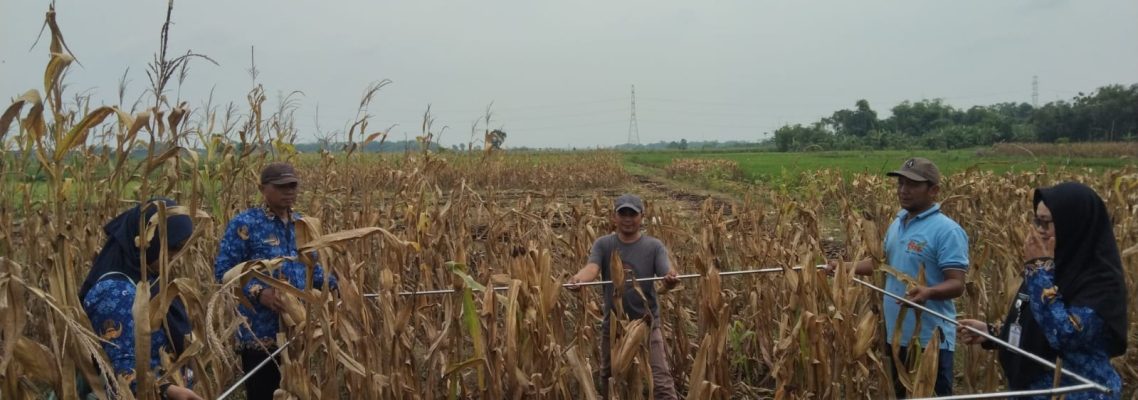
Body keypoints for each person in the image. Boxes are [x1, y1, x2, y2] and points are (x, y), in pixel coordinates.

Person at [958, 182, 1127, 399]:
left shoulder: (1101, 283)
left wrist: (1039, 272)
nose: (1039, 230)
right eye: (1037, 221)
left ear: (1073, 226)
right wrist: (992, 333)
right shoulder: (1051, 268)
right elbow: (1033, 323)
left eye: (1047, 223)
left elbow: (1064, 335)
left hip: (1076, 392)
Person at [827, 157, 969, 397]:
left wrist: (928, 292)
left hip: (929, 340)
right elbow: (881, 265)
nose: (903, 190)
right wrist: (843, 267)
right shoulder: (897, 223)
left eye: (912, 185)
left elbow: (957, 284)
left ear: (933, 190)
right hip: (895, 336)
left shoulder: (947, 231)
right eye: (901, 183)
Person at [214, 162, 336, 400]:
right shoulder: (245, 224)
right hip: (260, 335)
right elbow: (224, 272)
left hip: (299, 330)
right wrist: (259, 292)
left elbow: (312, 269)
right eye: (281, 187)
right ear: (262, 189)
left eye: (292, 186)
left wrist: (333, 284)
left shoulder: (302, 225)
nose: (288, 191)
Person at [80, 198, 202, 400]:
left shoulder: (149, 278)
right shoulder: (113, 292)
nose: (176, 257)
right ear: (150, 243)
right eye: (172, 249)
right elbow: (121, 371)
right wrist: (168, 390)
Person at [566, 194, 680, 400]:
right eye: (623, 214)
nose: (628, 219)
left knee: (661, 380)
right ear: (614, 217)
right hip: (614, 325)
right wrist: (578, 279)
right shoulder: (603, 244)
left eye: (632, 214)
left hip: (647, 323)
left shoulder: (654, 246)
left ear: (642, 216)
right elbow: (592, 268)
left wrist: (670, 278)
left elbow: (666, 271)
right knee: (608, 377)